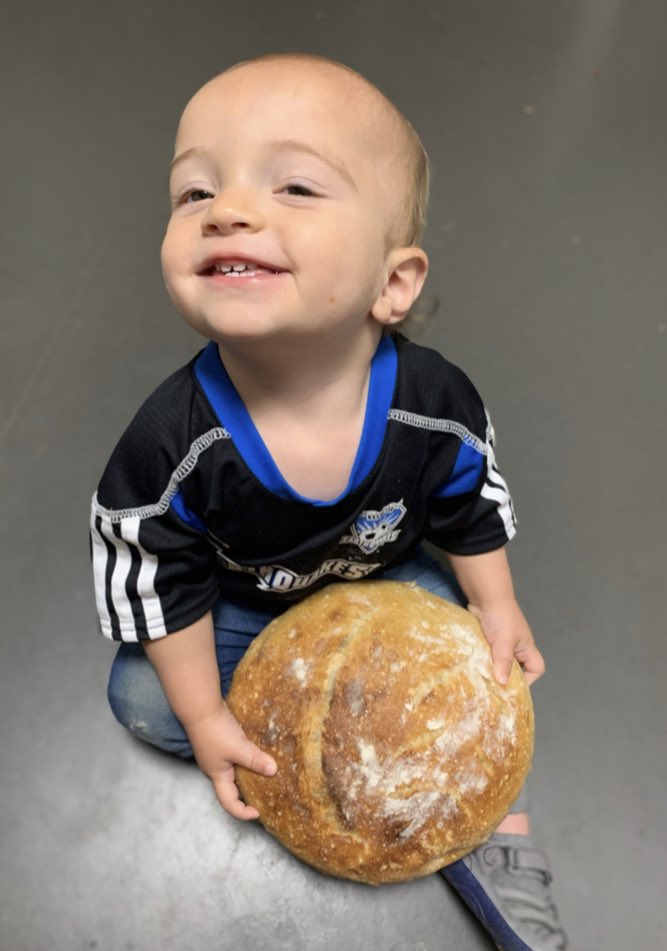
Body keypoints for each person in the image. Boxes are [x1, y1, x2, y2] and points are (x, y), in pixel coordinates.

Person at [90, 52, 567, 950]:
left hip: (394, 582)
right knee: (142, 699)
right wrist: (204, 715)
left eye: (296, 187)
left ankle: (494, 826)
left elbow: (470, 501)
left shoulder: (433, 403)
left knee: (483, 682)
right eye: (195, 193)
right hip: (241, 602)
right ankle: (306, 752)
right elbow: (155, 579)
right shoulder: (172, 443)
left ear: (394, 282)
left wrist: (497, 607)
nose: (228, 209)